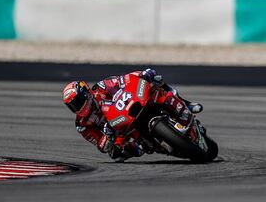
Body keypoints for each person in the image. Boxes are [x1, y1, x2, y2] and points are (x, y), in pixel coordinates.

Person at [62, 68, 203, 162]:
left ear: (86, 93)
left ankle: (185, 103)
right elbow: (101, 146)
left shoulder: (101, 88)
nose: (77, 107)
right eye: (72, 106)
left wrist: (142, 74)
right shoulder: (82, 125)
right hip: (121, 133)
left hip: (131, 106)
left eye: (78, 102)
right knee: (117, 155)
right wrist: (107, 137)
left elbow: (124, 80)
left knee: (156, 83)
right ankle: (156, 144)